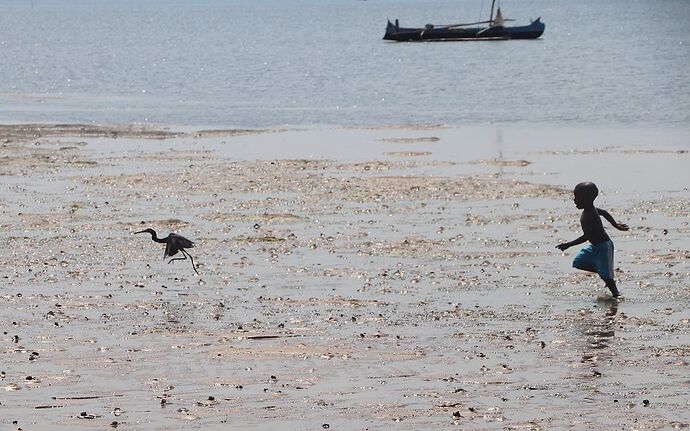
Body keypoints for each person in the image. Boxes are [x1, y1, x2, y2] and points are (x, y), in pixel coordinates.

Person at [556, 182, 629, 297]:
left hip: (603, 246)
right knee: (578, 262)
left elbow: (587, 236)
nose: (574, 200)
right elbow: (604, 213)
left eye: (577, 197)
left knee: (607, 277)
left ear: (586, 199)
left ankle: (616, 295)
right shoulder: (590, 210)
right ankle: (602, 270)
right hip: (596, 246)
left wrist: (568, 244)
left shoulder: (589, 214)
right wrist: (615, 225)